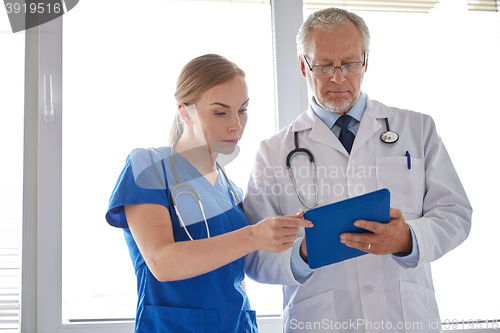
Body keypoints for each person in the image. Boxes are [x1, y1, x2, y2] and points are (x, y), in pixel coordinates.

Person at [244, 8, 472, 333]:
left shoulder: (417, 130)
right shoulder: (273, 152)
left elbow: (456, 214)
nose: (338, 77)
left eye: (350, 64)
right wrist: (305, 252)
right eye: (323, 65)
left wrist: (408, 238)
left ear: (365, 62)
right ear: (302, 65)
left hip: (406, 320)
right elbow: (254, 257)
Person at [105, 54, 312, 333]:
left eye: (242, 110)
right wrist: (253, 235)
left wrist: (303, 245)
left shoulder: (232, 190)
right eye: (220, 112)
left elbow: (240, 273)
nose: (236, 125)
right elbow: (161, 263)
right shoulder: (148, 167)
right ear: (185, 112)